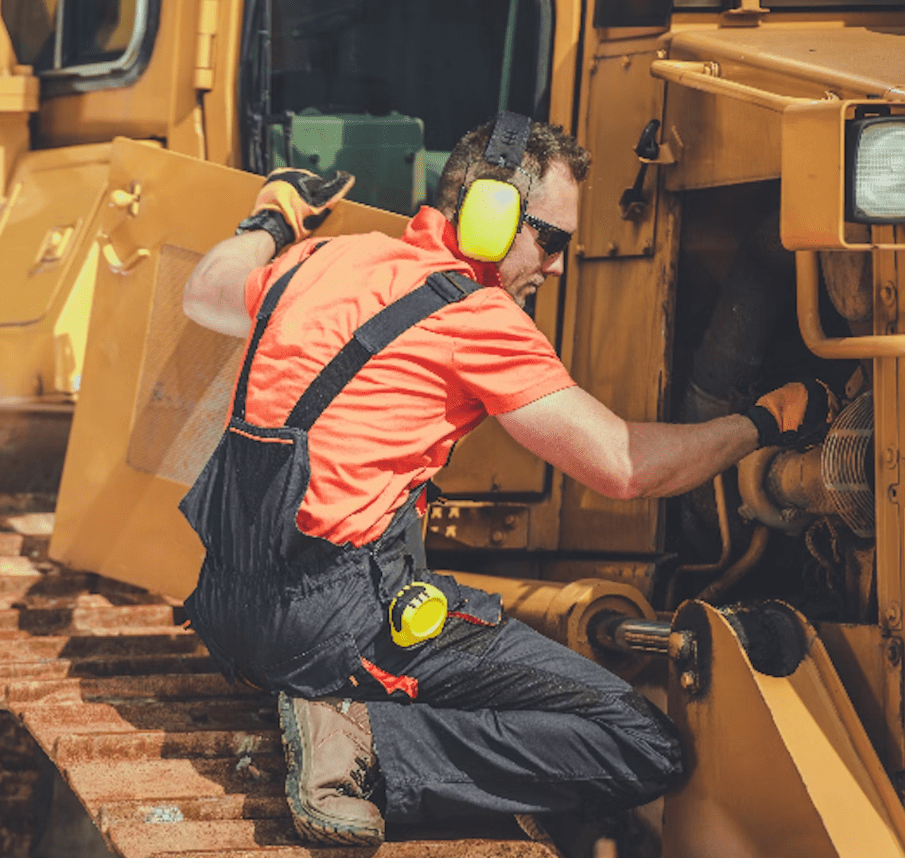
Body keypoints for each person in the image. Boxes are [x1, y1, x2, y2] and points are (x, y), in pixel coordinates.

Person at [177, 113, 834, 846]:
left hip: (227, 610)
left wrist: (275, 214)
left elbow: (206, 289)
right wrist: (768, 422)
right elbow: (627, 466)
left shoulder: (325, 258)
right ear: (492, 216)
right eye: (550, 239)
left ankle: (335, 709)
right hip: (330, 629)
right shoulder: (477, 319)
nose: (555, 266)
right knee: (640, 743)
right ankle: (358, 739)